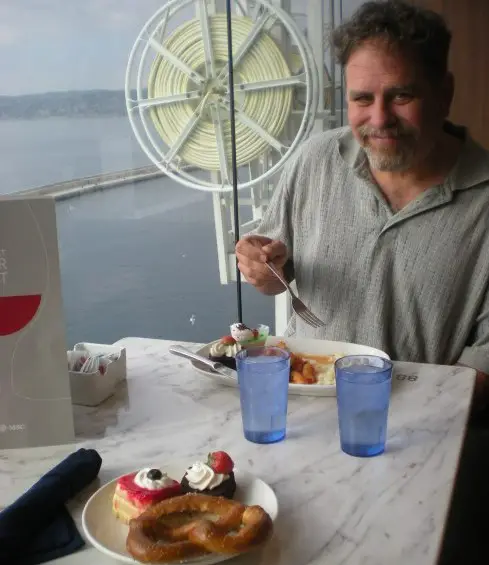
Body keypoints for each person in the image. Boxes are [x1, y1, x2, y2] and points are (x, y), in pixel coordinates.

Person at [235, 0, 489, 405]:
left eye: (401, 95)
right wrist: (261, 266)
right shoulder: (313, 160)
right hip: (305, 414)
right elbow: (272, 271)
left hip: (423, 437)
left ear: (445, 94)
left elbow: (484, 365)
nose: (379, 118)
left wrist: (381, 407)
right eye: (362, 99)